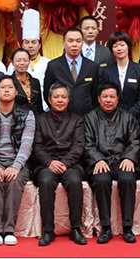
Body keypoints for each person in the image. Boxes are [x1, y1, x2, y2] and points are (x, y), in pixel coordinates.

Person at [0, 76, 35, 246]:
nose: (6, 90)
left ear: (16, 91)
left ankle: (9, 229)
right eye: (2, 87)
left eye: (10, 87)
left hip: (17, 162)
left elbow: (26, 145)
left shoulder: (27, 114)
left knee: (14, 180)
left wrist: (16, 166)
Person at [83, 82, 140, 244]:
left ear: (117, 99)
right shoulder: (90, 118)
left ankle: (127, 227)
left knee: (128, 178)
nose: (108, 100)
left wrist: (129, 157)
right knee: (101, 179)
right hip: (101, 161)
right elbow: (87, 143)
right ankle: (106, 227)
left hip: (122, 160)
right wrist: (98, 159)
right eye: (105, 96)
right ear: (98, 98)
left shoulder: (127, 117)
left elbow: (135, 141)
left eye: (112, 97)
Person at [34, 83, 86, 246]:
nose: (60, 100)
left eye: (64, 97)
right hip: (47, 164)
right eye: (56, 97)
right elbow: (37, 146)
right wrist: (49, 162)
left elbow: (79, 145)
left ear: (69, 100)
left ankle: (76, 229)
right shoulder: (40, 120)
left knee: (75, 182)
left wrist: (65, 163)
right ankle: (48, 230)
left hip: (70, 164)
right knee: (45, 181)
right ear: (49, 100)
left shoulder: (77, 120)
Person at [43, 27, 99, 116]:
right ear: (64, 44)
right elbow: (47, 94)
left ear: (82, 43)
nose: (74, 44)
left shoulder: (92, 66)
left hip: (86, 117)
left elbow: (95, 94)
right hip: (61, 117)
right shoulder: (53, 66)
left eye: (78, 41)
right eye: (70, 41)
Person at [7, 8, 50, 111]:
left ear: (39, 45)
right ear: (22, 44)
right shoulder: (13, 65)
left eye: (34, 42)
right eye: (27, 42)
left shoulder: (48, 63)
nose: (30, 46)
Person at [100, 31, 140, 119]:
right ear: (112, 50)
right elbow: (104, 95)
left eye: (122, 45)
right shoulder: (107, 71)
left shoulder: (139, 69)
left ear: (128, 46)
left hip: (134, 118)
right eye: (115, 46)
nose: (119, 48)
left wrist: (129, 115)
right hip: (112, 118)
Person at [9, 48, 44, 116]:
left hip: (34, 118)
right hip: (15, 118)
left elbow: (39, 107)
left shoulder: (35, 82)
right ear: (12, 63)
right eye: (18, 60)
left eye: (25, 60)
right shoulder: (8, 82)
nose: (22, 63)